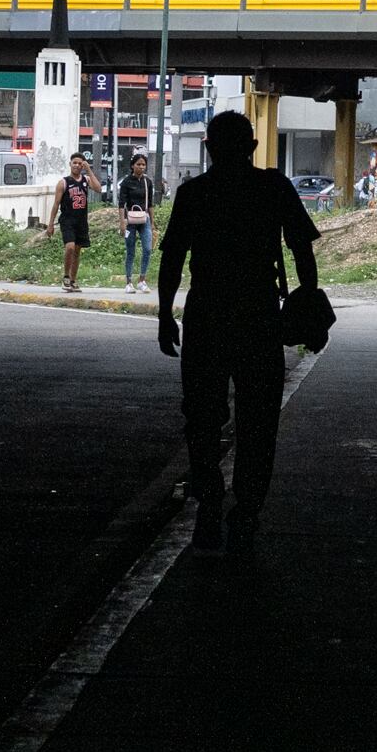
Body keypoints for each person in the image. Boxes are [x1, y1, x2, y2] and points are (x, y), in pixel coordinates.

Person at [158, 109, 318, 560]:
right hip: (258, 314)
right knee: (258, 421)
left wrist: (164, 315)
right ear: (251, 148)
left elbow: (172, 262)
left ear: (209, 148)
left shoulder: (194, 194)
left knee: (203, 416)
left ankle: (209, 500)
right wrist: (306, 300)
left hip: (207, 314)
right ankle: (246, 513)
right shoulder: (273, 188)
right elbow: (302, 249)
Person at [52, 152, 99, 291]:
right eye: (75, 163)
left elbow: (98, 189)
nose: (77, 166)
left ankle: (73, 280)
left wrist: (89, 170)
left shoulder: (86, 180)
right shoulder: (63, 183)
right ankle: (66, 276)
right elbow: (56, 204)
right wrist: (50, 224)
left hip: (81, 221)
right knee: (70, 247)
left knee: (77, 250)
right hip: (67, 220)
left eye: (80, 163)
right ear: (70, 164)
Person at [117, 152, 156, 290]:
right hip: (130, 221)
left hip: (144, 219)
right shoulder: (126, 182)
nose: (141, 167)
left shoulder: (148, 182)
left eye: (143, 165)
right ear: (132, 165)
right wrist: (122, 222)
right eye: (138, 164)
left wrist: (152, 222)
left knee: (147, 248)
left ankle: (142, 280)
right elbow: (121, 204)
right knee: (131, 251)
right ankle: (128, 282)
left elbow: (150, 204)